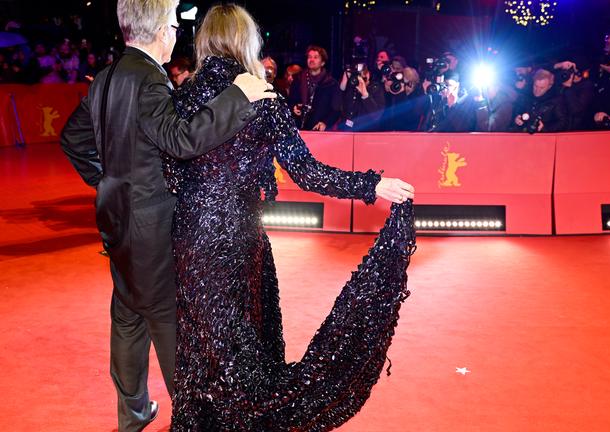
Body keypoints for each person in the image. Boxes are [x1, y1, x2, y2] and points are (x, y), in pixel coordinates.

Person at [166, 5, 416, 430]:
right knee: (243, 341)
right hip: (238, 234)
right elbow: (307, 171)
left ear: (206, 41)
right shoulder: (263, 97)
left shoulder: (182, 96)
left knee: (201, 340)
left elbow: (169, 170)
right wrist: (370, 185)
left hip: (190, 236)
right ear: (247, 41)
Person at [58, 1, 274, 430]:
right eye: (174, 25)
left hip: (117, 222)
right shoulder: (150, 81)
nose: (177, 32)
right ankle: (193, 416)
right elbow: (182, 140)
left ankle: (133, 414)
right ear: (160, 31)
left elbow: (73, 140)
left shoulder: (105, 78)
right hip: (150, 227)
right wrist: (238, 96)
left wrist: (110, 183)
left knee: (128, 314)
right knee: (166, 319)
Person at [287, 45, 340, 131]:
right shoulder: (298, 79)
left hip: (319, 131)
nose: (311, 60)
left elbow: (336, 110)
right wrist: (293, 107)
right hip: (298, 130)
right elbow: (290, 102)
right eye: (309, 57)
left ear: (322, 62)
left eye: (315, 57)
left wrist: (325, 123)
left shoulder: (331, 84)